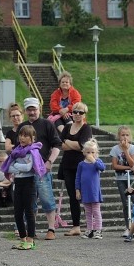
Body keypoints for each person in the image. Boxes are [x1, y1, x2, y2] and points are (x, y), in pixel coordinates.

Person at [18, 97, 63, 240]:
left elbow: (57, 145)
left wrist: (49, 162)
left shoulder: (47, 124)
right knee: (29, 203)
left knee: (46, 198)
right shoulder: (22, 126)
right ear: (25, 111)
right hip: (26, 171)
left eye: (34, 109)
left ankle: (51, 229)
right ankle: (32, 230)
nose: (32, 112)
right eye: (29, 109)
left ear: (39, 109)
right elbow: (17, 148)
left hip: (42, 169)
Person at [1, 124, 46, 250]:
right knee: (17, 213)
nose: (22, 138)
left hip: (29, 184)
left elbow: (28, 168)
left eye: (26, 135)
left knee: (29, 212)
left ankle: (30, 240)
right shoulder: (16, 152)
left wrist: (16, 167)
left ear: (32, 138)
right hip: (18, 184)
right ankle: (22, 239)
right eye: (21, 135)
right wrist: (17, 167)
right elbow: (8, 167)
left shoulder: (33, 151)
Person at [56, 100, 93, 237]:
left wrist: (68, 142)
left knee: (85, 195)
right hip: (67, 165)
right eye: (75, 112)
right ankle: (76, 226)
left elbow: (83, 146)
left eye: (80, 112)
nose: (77, 114)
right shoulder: (67, 127)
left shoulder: (86, 128)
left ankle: (91, 224)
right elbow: (61, 144)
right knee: (73, 196)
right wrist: (73, 144)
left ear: (84, 114)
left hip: (82, 166)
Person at [110, 125, 134, 238]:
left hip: (132, 180)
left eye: (127, 135)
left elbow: (133, 164)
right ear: (119, 136)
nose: (125, 137)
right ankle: (128, 227)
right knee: (126, 203)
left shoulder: (133, 148)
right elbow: (115, 165)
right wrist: (127, 168)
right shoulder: (115, 149)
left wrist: (126, 150)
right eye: (123, 135)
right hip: (121, 179)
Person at [75, 139, 106, 239]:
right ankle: (89, 229)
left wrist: (94, 160)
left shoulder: (97, 162)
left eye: (93, 152)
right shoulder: (81, 164)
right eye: (88, 152)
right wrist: (77, 189)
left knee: (96, 211)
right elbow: (78, 177)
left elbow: (102, 168)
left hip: (94, 191)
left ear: (96, 153)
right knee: (88, 211)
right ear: (84, 152)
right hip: (85, 191)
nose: (90, 154)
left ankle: (98, 230)